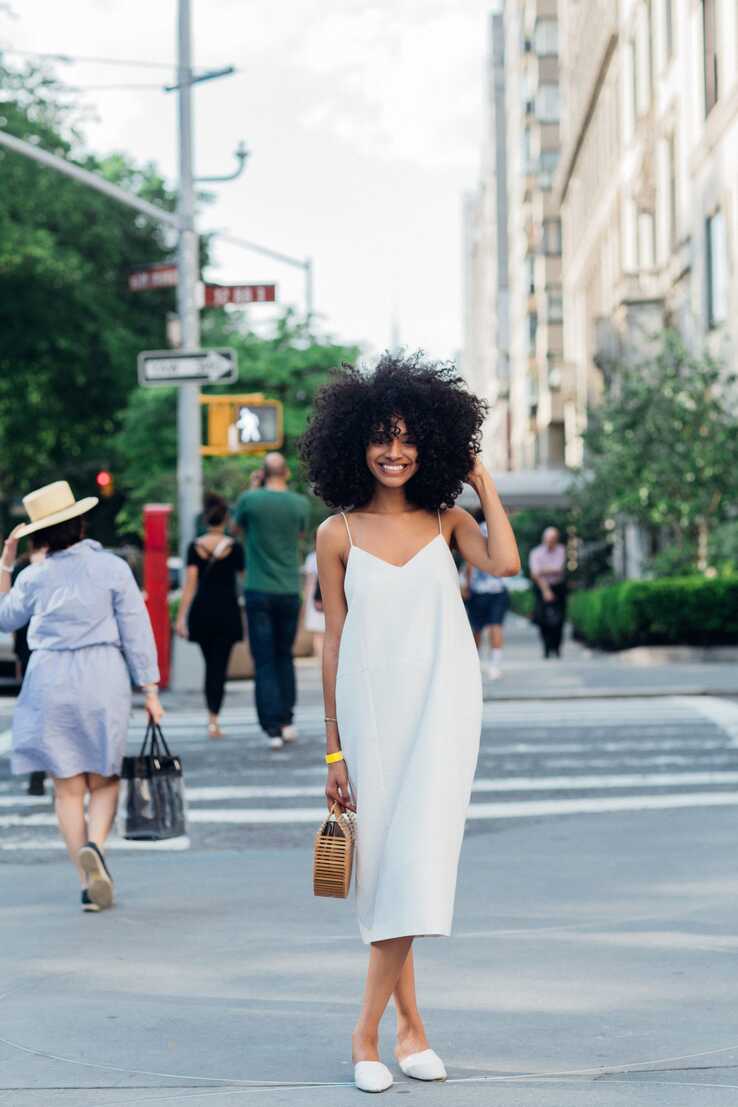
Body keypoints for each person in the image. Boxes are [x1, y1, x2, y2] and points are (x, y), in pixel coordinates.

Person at [300, 353, 520, 1093]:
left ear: (430, 443)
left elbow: (509, 563)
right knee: (388, 874)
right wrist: (332, 746)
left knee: (417, 865)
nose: (394, 452)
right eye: (380, 438)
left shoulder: (448, 518)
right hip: (369, 716)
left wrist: (482, 480)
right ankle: (412, 1028)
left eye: (408, 438)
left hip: (445, 706)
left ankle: (364, 1033)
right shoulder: (337, 534)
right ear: (355, 443)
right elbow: (333, 642)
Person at [0, 480, 163, 912]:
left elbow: (4, 620)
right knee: (104, 778)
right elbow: (136, 629)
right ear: (80, 522)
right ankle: (96, 846)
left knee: (67, 788)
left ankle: (86, 881)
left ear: (39, 533)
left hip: (49, 676)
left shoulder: (34, 575)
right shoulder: (111, 567)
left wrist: (5, 565)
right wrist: (149, 689)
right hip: (101, 674)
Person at [232, 453, 309, 751]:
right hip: (289, 588)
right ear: (286, 473)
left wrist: (253, 489)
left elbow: (235, 531)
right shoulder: (299, 504)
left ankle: (272, 727)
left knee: (263, 661)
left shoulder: (249, 500)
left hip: (258, 589)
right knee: (284, 657)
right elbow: (300, 534)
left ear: (262, 473)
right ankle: (287, 720)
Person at [176, 493, 245, 739]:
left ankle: (211, 719)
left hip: (202, 613)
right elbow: (244, 581)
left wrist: (181, 617)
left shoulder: (194, 547)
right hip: (227, 612)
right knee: (220, 667)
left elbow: (190, 586)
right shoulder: (235, 547)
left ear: (205, 520)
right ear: (225, 519)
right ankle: (215, 718)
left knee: (209, 666)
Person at [11, 550, 48, 796]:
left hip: (32, 652)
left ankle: (41, 770)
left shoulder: (25, 570)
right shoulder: (26, 571)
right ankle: (43, 769)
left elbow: (11, 618)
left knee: (40, 714)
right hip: (35, 651)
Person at [464, 520, 510, 679]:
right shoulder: (501, 529)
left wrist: (468, 586)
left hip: (479, 589)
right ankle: (494, 666)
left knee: (477, 628)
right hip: (498, 588)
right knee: (496, 626)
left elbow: (470, 561)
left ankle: (474, 665)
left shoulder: (476, 529)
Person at [529, 526, 567, 658]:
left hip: (558, 587)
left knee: (559, 620)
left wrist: (543, 570)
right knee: (542, 619)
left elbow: (559, 569)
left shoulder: (561, 550)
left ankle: (557, 647)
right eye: (548, 539)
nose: (550, 542)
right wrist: (545, 590)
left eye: (553, 539)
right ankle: (546, 647)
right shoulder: (536, 553)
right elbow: (535, 574)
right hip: (541, 587)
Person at [302, 548, 325, 661]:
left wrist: (305, 604)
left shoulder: (311, 558)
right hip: (329, 597)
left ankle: (322, 662)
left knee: (318, 635)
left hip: (315, 602)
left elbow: (309, 583)